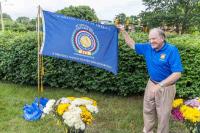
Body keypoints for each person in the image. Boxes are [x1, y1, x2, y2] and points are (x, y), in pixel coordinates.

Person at [117, 25, 183, 133]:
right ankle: (148, 131)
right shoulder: (148, 47)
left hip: (166, 87)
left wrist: (160, 85)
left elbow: (177, 74)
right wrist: (123, 31)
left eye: (154, 38)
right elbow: (132, 44)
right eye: (150, 39)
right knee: (148, 110)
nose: (151, 41)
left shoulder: (171, 50)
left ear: (162, 38)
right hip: (151, 83)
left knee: (163, 115)